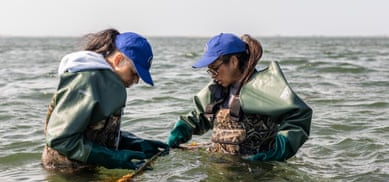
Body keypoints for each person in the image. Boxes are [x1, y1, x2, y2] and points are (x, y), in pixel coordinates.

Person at [167, 33, 312, 161]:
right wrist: (182, 129)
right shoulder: (216, 91)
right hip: (222, 169)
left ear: (234, 61)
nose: (212, 75)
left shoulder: (262, 87)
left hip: (259, 172)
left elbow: (299, 116)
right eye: (209, 71)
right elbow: (199, 116)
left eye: (215, 69)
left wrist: (278, 151)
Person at [42, 29, 168, 171]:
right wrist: (111, 158)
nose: (136, 81)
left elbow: (95, 132)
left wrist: (133, 143)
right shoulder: (86, 80)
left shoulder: (107, 83)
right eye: (134, 73)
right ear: (118, 60)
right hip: (65, 174)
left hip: (85, 171)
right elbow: (60, 139)